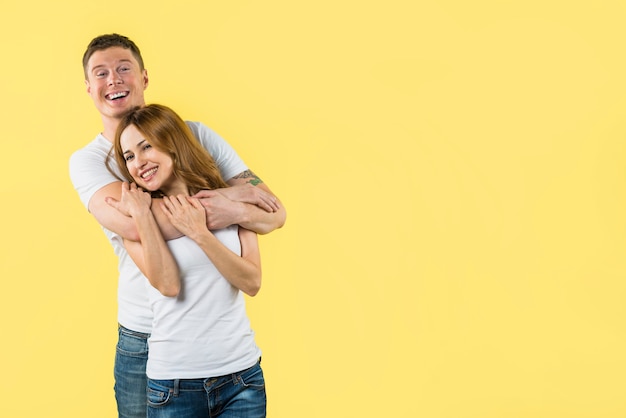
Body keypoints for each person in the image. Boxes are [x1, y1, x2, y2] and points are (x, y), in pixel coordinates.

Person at [69, 34, 285, 417]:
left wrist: (234, 203)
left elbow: (273, 210)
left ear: (144, 77)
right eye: (101, 73)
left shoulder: (195, 135)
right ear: (89, 88)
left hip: (222, 347)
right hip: (144, 337)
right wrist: (226, 197)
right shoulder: (90, 162)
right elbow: (135, 226)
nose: (114, 80)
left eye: (123, 69)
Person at [111, 103, 265, 417]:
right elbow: (167, 284)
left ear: (173, 143)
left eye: (146, 147)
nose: (139, 163)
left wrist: (200, 233)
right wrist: (142, 214)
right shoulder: (133, 221)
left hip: (242, 378)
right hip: (174, 385)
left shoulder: (227, 202)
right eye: (129, 157)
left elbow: (252, 282)